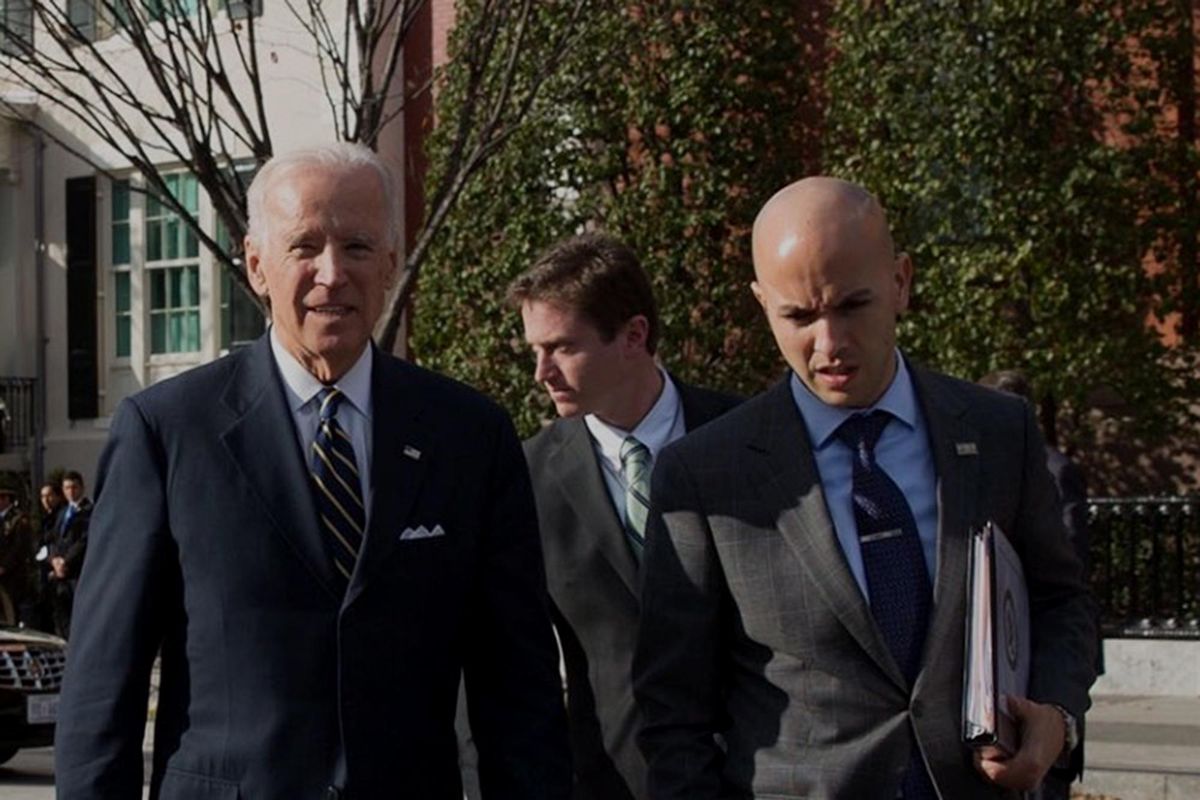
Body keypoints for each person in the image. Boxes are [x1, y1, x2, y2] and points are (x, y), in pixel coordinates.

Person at [54, 143, 571, 799]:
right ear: (256, 265)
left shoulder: (468, 435)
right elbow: (104, 686)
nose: (332, 273)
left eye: (357, 247)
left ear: (390, 265)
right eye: (304, 247)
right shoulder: (168, 431)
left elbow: (517, 686)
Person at [633, 177, 1097, 799]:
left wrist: (1057, 720)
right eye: (797, 315)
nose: (828, 345)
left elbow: (1061, 603)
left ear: (901, 282)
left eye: (852, 305)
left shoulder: (995, 431)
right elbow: (673, 714)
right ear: (761, 304)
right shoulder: (706, 475)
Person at [506, 233, 740, 799]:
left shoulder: (746, 442)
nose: (542, 372)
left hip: (759, 772)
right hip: (612, 780)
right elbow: (509, 662)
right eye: (535, 349)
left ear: (634, 335)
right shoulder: (525, 479)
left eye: (561, 347)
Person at [978, 369, 1095, 800]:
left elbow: (1067, 573)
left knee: (1046, 777)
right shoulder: (979, 466)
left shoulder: (1055, 469)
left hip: (1038, 649)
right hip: (998, 656)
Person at [47, 470, 90, 638]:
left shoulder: (90, 511)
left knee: (79, 615)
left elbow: (84, 541)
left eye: (74, 487)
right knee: (61, 616)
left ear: (81, 488)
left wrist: (65, 561)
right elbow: (53, 539)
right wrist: (54, 560)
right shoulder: (62, 512)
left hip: (77, 572)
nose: (71, 492)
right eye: (67, 488)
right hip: (60, 574)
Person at [0, 476, 34, 625]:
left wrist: (4, 566)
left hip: (12, 576)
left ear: (6, 499)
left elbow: (19, 547)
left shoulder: (18, 519)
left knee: (11, 611)